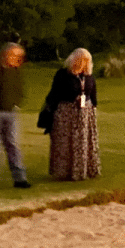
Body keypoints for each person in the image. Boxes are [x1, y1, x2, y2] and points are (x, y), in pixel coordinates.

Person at [44, 48, 101, 181]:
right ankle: (63, 172)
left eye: (86, 61)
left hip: (84, 113)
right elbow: (55, 93)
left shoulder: (88, 76)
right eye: (80, 60)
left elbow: (93, 93)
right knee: (65, 142)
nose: (83, 64)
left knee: (82, 142)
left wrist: (93, 107)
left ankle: (82, 170)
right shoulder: (62, 75)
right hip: (66, 112)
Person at [0, 43, 30, 190]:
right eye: (15, 55)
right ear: (6, 55)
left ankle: (20, 178)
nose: (18, 59)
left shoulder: (15, 71)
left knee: (13, 144)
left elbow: (19, 88)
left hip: (11, 112)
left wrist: (16, 102)